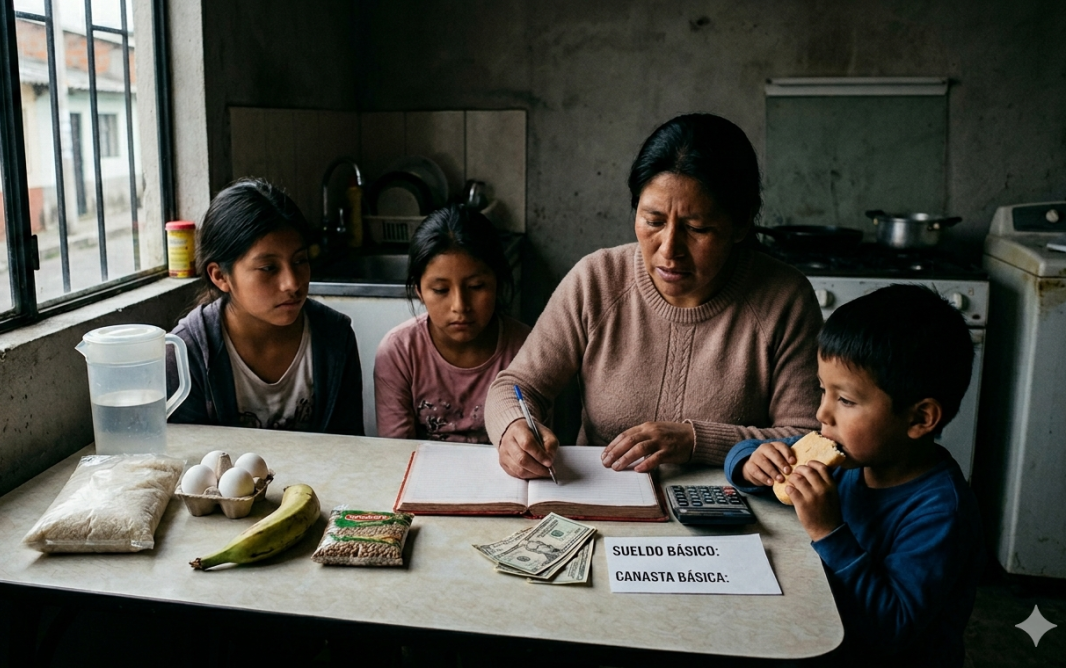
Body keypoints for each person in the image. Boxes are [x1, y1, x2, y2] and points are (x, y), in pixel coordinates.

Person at [485, 113, 823, 478]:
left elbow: (806, 439)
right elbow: (515, 386)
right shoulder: (597, 280)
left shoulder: (785, 300)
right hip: (604, 502)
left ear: (740, 225)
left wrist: (696, 441)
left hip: (730, 515)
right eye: (654, 221)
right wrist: (513, 430)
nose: (669, 249)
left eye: (697, 228)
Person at [724, 284, 983, 668]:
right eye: (823, 390)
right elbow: (744, 455)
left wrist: (829, 531)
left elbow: (890, 629)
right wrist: (751, 464)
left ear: (919, 418)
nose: (822, 414)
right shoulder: (847, 458)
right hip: (815, 638)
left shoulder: (941, 510)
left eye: (845, 400)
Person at [166, 178, 363, 435]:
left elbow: (351, 447)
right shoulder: (186, 353)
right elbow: (186, 460)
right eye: (269, 268)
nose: (292, 283)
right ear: (220, 276)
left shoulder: (335, 337)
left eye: (300, 260)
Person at [374, 205, 531, 442]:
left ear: (497, 282)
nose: (460, 305)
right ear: (419, 290)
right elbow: (397, 452)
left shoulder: (527, 349)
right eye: (440, 290)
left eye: (476, 287)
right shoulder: (399, 352)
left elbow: (535, 439)